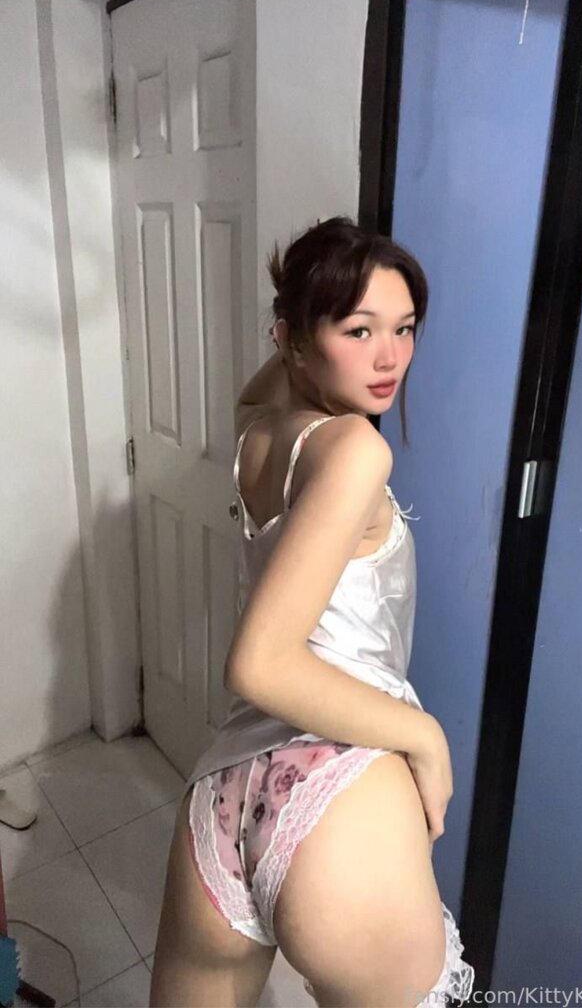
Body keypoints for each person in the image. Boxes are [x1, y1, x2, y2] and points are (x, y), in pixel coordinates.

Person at [150, 216, 475, 1008]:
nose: (390, 357)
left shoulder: (256, 432)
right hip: (337, 786)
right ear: (296, 340)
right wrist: (425, 736)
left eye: (404, 328)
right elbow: (259, 663)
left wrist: (303, 325)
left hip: (227, 791)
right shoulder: (356, 450)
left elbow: (254, 389)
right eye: (359, 330)